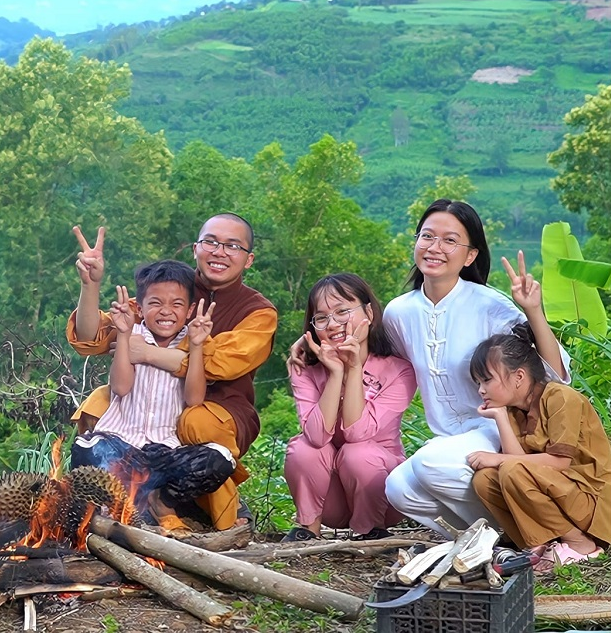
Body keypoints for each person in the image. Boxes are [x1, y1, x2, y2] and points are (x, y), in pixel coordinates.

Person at [289, 199, 571, 538]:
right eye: (427, 236)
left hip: (494, 427)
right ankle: (496, 536)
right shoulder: (399, 312)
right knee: (398, 488)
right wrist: (311, 351)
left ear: (469, 256)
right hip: (446, 437)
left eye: (450, 240)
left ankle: (532, 531)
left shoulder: (489, 305)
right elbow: (373, 359)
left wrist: (534, 311)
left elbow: (554, 374)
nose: (435, 247)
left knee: (428, 463)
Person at [67, 215, 278, 530]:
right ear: (196, 248)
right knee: (99, 402)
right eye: (211, 242)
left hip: (218, 409)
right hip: (138, 422)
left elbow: (222, 364)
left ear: (248, 259)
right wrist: (91, 285)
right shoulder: (172, 287)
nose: (220, 252)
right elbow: (93, 335)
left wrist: (150, 353)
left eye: (232, 246)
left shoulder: (258, 311)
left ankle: (189, 499)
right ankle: (113, 497)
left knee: (197, 420)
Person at [70, 260, 234, 535]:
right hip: (121, 445)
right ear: (139, 307)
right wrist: (122, 336)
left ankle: (162, 503)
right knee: (86, 448)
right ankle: (117, 508)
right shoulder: (132, 333)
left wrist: (195, 347)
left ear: (191, 310)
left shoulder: (193, 340)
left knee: (221, 458)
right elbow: (121, 388)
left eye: (177, 305)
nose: (166, 312)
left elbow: (194, 399)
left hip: (165, 451)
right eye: (156, 303)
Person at [282, 274, 416, 542]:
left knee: (358, 453)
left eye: (343, 311)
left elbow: (357, 433)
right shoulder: (306, 370)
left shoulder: (399, 370)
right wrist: (335, 374)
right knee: (304, 448)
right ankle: (307, 528)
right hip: (331, 497)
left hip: (382, 493)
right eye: (322, 318)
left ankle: (371, 530)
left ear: (368, 312)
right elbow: (317, 436)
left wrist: (354, 368)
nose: (333, 324)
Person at [467, 323, 611, 570]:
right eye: (478, 382)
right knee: (485, 480)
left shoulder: (560, 397)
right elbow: (518, 465)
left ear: (519, 376)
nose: (481, 390)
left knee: (508, 469)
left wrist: (498, 458)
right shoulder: (513, 411)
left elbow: (559, 463)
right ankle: (544, 543)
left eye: (487, 380)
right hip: (562, 495)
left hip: (591, 501)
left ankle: (581, 544)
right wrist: (500, 417)